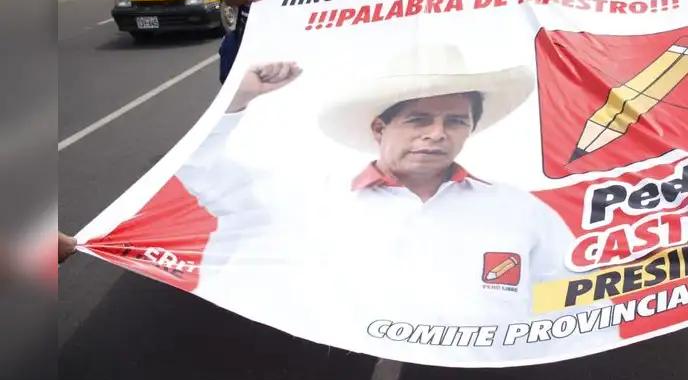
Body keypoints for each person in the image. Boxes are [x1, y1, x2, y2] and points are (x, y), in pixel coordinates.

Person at [172, 45, 617, 348]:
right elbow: (202, 172)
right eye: (419, 119)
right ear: (380, 129)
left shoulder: (521, 211)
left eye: (456, 122)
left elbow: (575, 298)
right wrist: (236, 99)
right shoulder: (310, 195)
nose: (437, 135)